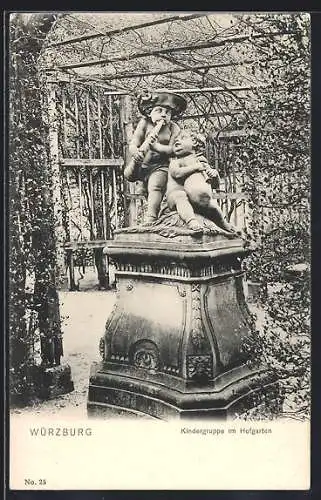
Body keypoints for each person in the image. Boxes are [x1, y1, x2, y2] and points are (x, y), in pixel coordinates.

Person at [124, 92, 187, 224]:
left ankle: (150, 219)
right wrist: (135, 152)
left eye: (168, 112)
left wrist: (156, 146)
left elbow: (173, 150)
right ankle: (155, 215)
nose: (164, 114)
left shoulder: (173, 127)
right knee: (147, 194)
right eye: (159, 111)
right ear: (149, 113)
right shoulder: (145, 123)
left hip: (160, 166)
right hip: (142, 165)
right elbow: (134, 142)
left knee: (156, 188)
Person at [166, 130, 235, 234]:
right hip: (175, 197)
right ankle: (191, 221)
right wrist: (195, 167)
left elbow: (215, 185)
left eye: (182, 138)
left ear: (195, 143)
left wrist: (214, 174)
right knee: (180, 196)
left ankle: (223, 223)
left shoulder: (201, 161)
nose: (177, 141)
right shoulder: (176, 162)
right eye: (175, 140)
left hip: (197, 199)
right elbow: (177, 173)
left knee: (213, 206)